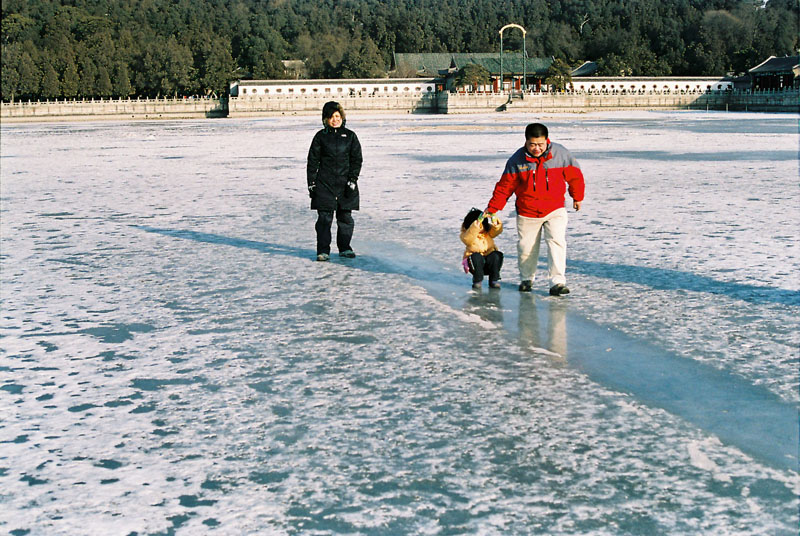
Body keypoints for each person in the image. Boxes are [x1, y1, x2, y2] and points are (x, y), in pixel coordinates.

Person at [484, 123, 584, 296]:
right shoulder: (517, 160)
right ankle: (526, 279)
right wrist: (493, 208)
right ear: (526, 142)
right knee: (526, 247)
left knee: (556, 243)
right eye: (532, 145)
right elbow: (504, 187)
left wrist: (577, 196)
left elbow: (575, 177)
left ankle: (557, 282)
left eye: (540, 144)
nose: (537, 149)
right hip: (527, 211)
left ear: (547, 141)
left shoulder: (561, 154)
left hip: (555, 209)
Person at [306, 101, 363, 261]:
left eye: (337, 116)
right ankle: (323, 250)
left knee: (345, 218)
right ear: (325, 119)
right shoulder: (320, 137)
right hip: (325, 184)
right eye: (331, 117)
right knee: (324, 219)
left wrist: (352, 180)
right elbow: (312, 162)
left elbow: (356, 159)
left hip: (345, 184)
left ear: (342, 117)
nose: (335, 120)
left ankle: (345, 248)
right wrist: (311, 183)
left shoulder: (350, 136)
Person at [460, 208, 504, 289]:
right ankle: (477, 281)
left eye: (482, 225)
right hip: (474, 265)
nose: (481, 227)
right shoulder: (466, 234)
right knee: (476, 257)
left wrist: (494, 219)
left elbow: (497, 231)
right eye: (479, 225)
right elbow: (468, 238)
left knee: (496, 255)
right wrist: (477, 223)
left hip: (488, 264)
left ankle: (494, 280)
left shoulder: (487, 232)